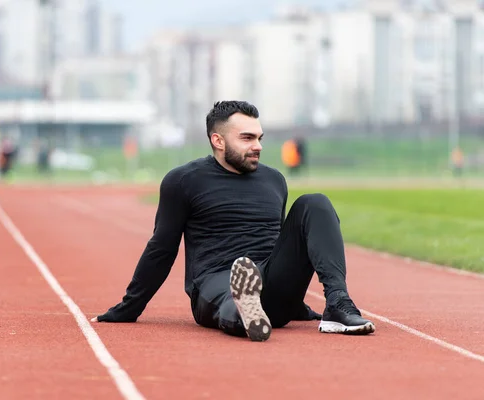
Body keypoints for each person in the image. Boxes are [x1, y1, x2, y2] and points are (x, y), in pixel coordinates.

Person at [92, 101, 375, 341]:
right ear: (218, 140)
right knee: (231, 296)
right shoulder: (183, 181)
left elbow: (281, 245)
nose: (258, 146)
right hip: (215, 280)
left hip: (270, 279)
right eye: (247, 138)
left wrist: (298, 305)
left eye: (259, 138)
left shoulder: (274, 179)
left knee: (315, 202)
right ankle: (245, 312)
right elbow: (162, 249)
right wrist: (129, 307)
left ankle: (337, 302)